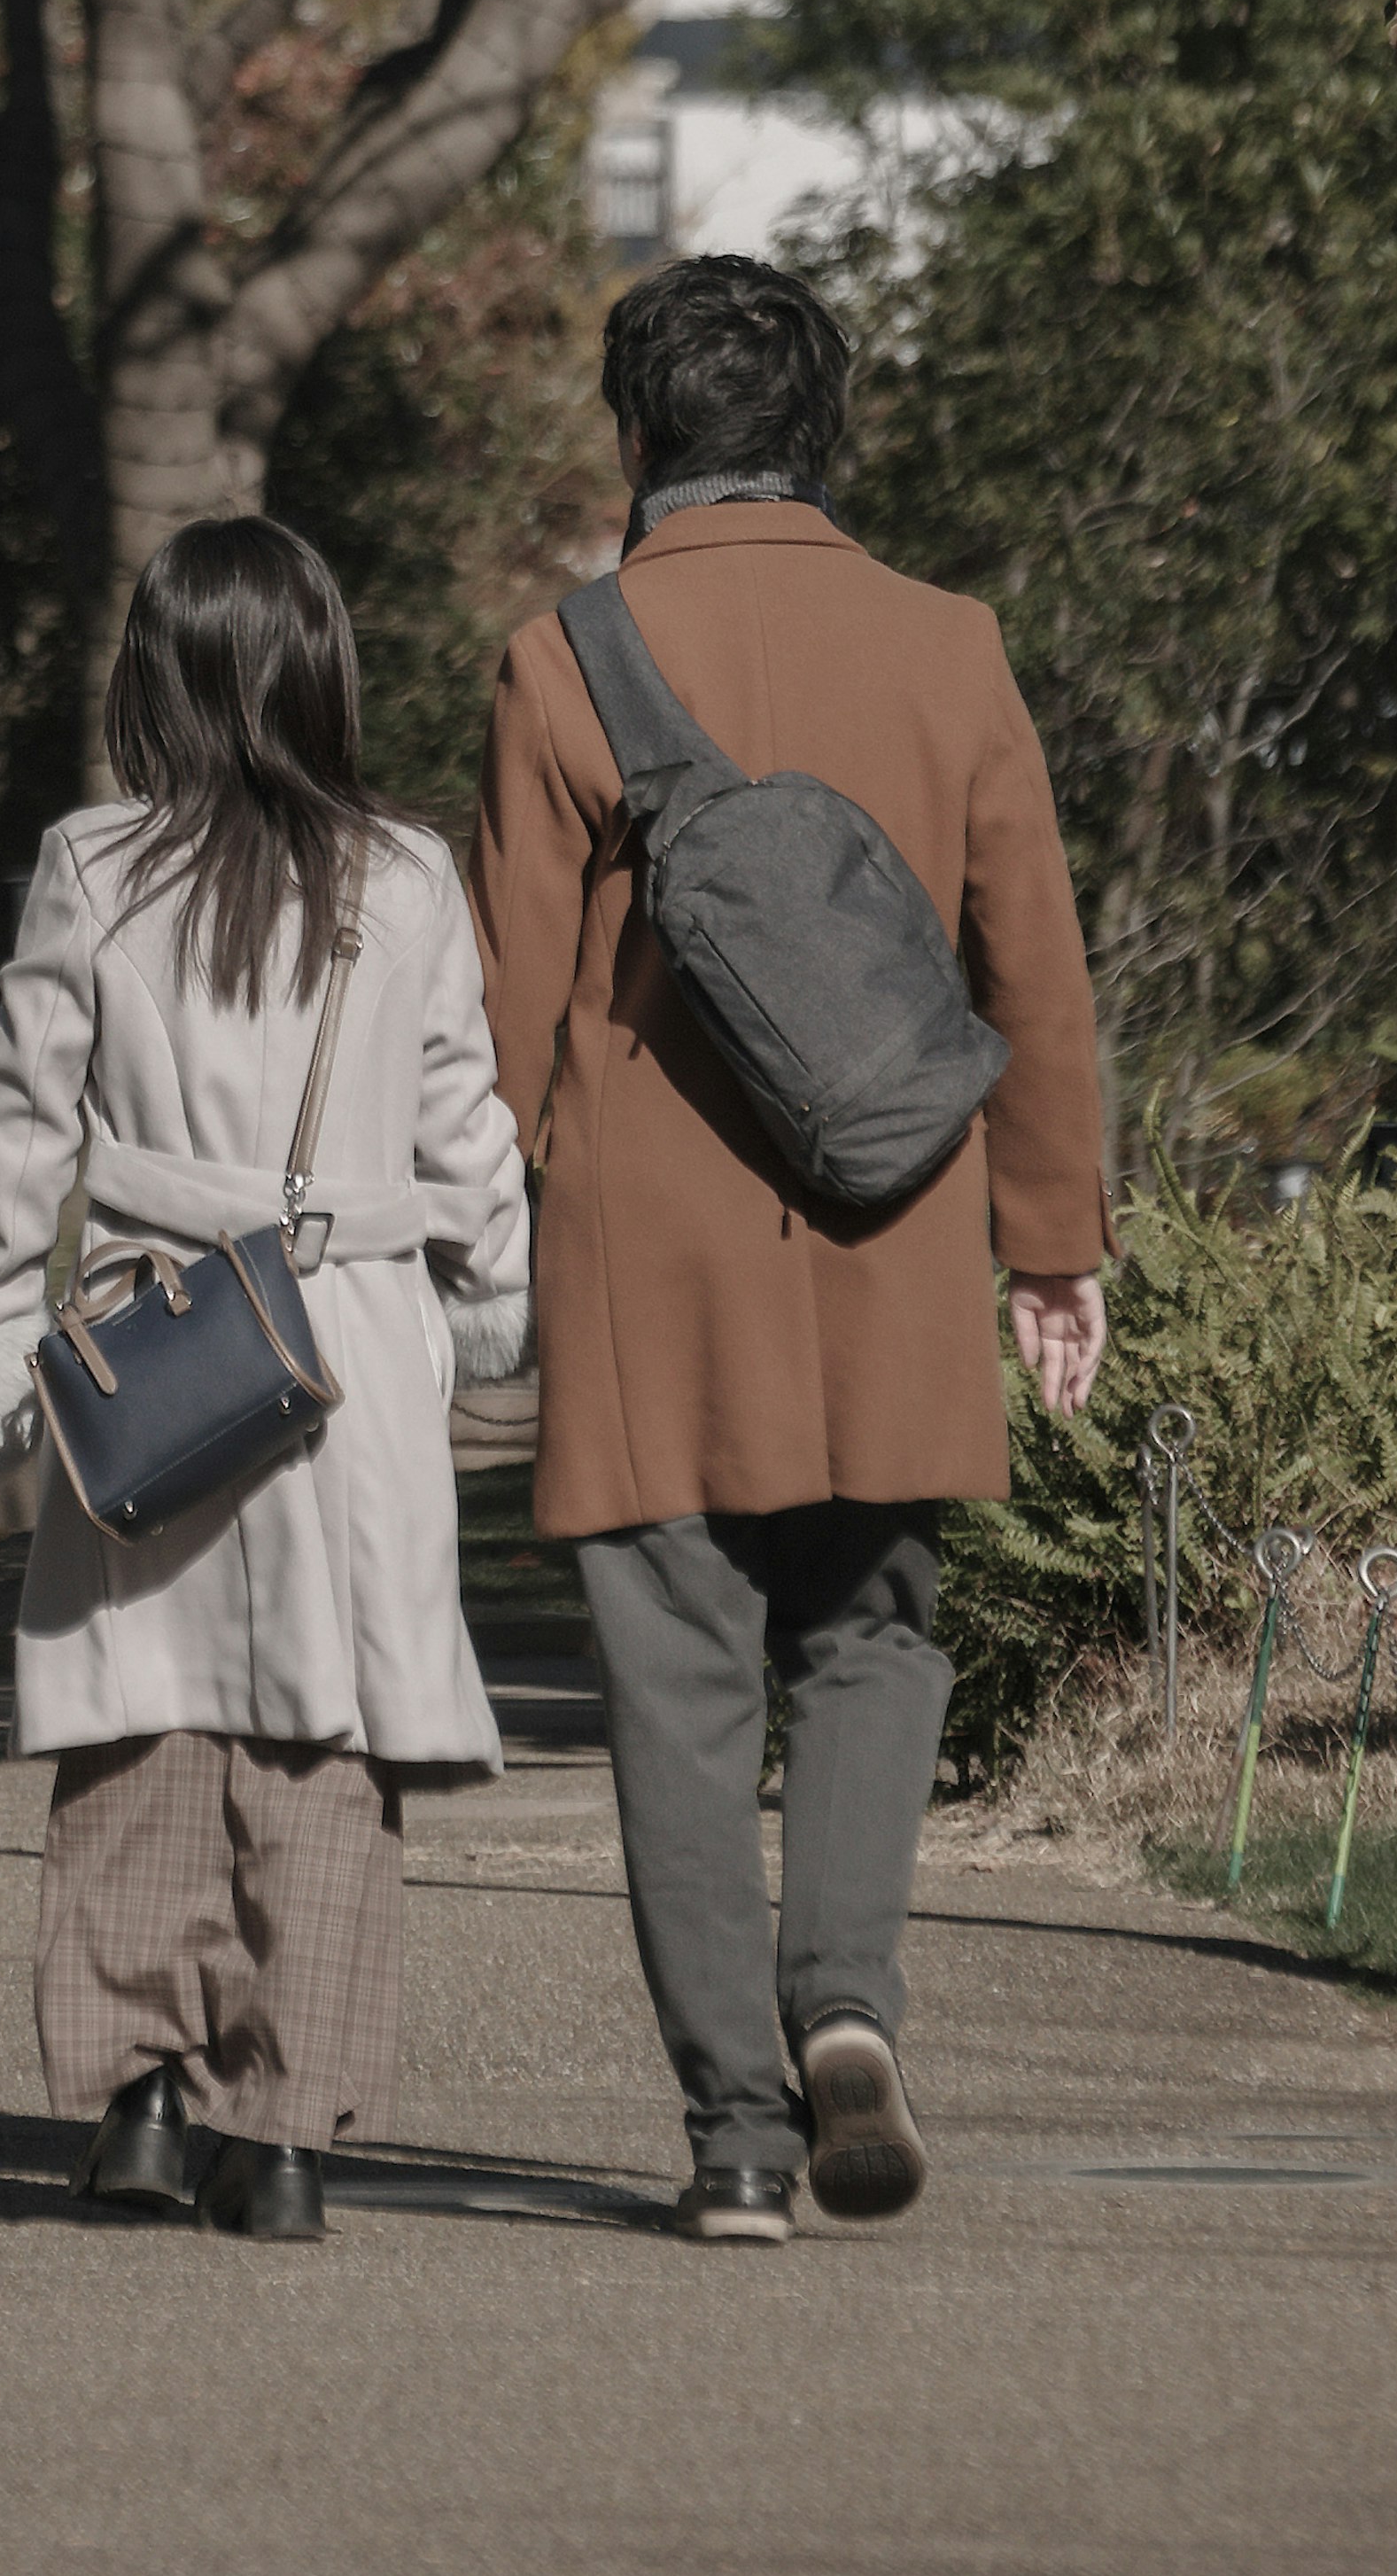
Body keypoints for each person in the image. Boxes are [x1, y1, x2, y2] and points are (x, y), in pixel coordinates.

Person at [467, 252, 1110, 2248]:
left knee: (677, 1680)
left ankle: (738, 2138)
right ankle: (847, 2002)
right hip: (893, 1219)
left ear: (637, 433)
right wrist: (1051, 1242)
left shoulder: (564, 659)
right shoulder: (950, 642)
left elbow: (499, 1010)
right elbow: (1036, 963)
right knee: (876, 1629)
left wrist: (458, 1247)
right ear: (820, 431)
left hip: (645, 1257)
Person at [0, 513, 533, 2244]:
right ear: (320, 667)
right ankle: (285, 2139)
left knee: (139, 1721)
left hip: (158, 1333)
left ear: (148, 676)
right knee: (326, 1744)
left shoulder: (94, 867)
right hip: (343, 1345)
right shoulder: (406, 876)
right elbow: (467, 1126)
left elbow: (23, 1125)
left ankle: (139, 2105)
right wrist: (491, 1286)